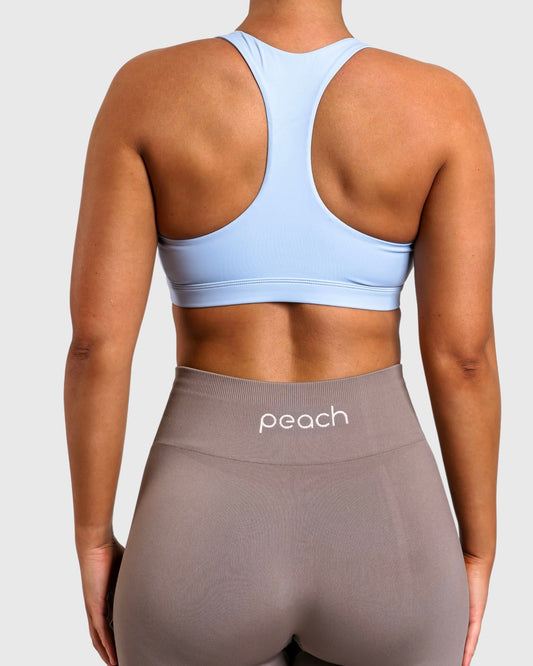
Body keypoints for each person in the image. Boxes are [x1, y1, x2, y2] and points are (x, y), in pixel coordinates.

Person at [64, 1, 500, 665]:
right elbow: (464, 357)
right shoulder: (439, 102)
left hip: (195, 531)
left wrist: (93, 539)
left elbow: (95, 348)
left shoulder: (148, 90)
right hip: (392, 528)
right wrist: (477, 549)